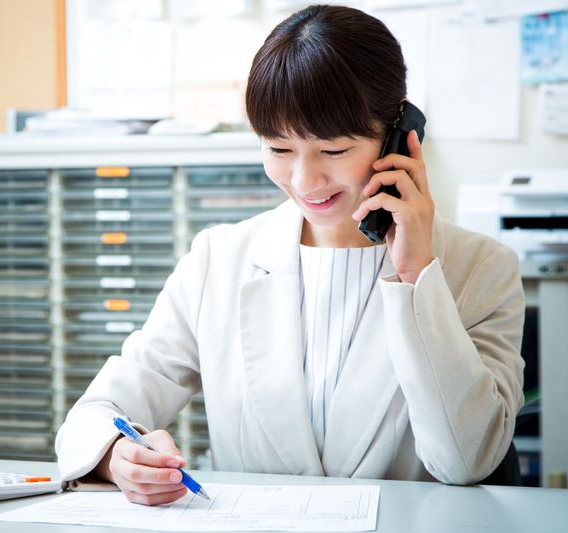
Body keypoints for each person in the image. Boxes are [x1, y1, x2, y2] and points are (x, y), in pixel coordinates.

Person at [55, 4, 525, 506]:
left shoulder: (482, 269)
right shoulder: (219, 260)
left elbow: (466, 460)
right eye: (278, 149)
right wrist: (118, 456)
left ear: (399, 138)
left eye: (334, 150)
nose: (304, 181)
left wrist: (415, 279)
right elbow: (97, 411)